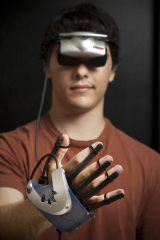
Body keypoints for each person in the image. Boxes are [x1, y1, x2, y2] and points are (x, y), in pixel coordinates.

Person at [0, 3, 160, 240]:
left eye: (95, 58)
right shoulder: (8, 148)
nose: (82, 70)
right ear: (47, 66)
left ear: (113, 69)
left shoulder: (151, 165)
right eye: (69, 57)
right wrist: (50, 207)